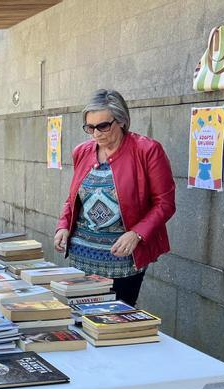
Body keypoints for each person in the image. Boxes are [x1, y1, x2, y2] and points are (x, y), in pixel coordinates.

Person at [54, 89, 176, 306]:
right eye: (90, 127)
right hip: (81, 254)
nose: (96, 134)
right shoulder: (82, 151)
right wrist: (63, 225)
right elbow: (73, 197)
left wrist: (137, 234)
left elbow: (165, 204)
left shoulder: (147, 150)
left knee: (115, 320)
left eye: (103, 126)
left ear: (121, 121)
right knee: (79, 320)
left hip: (122, 258)